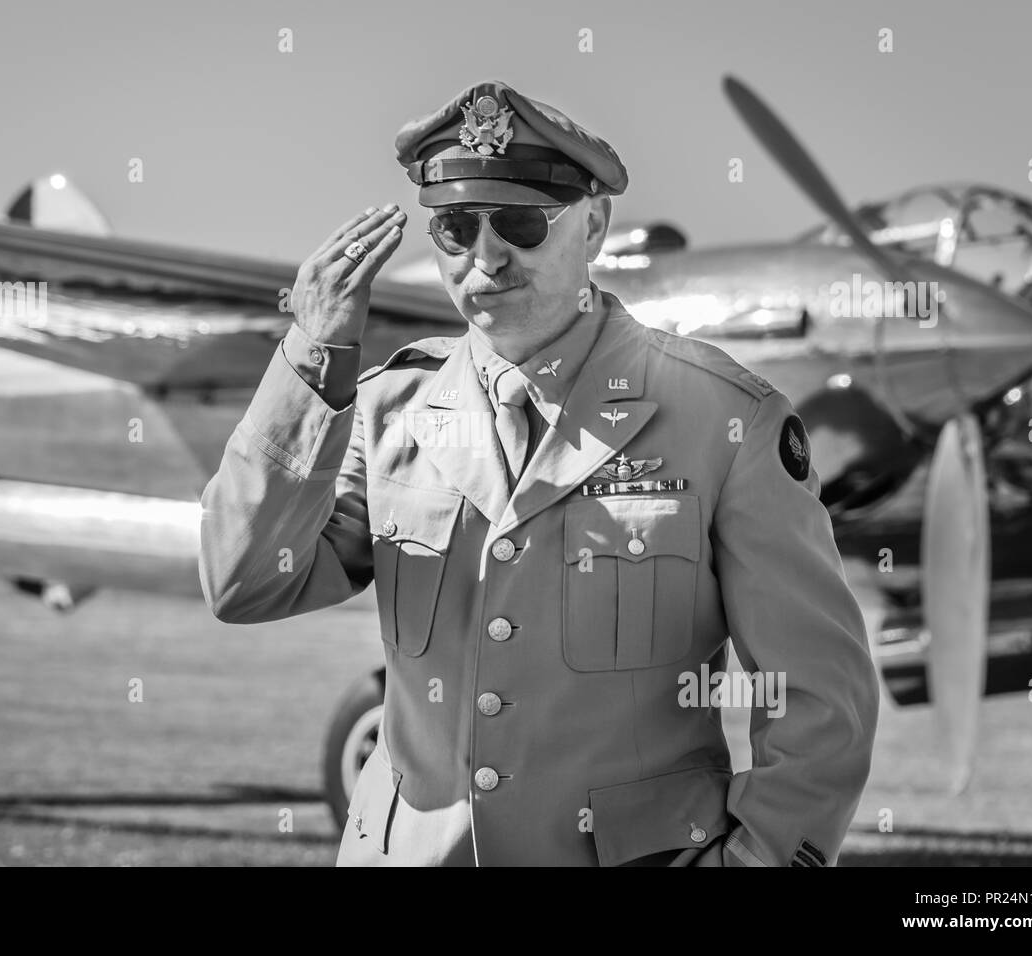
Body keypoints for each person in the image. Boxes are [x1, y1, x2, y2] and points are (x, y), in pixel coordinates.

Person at [200, 80, 879, 866]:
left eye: (521, 223)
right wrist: (311, 360)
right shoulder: (387, 410)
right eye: (456, 227)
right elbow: (244, 584)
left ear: (593, 226)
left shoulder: (724, 419)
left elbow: (820, 700)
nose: (486, 256)